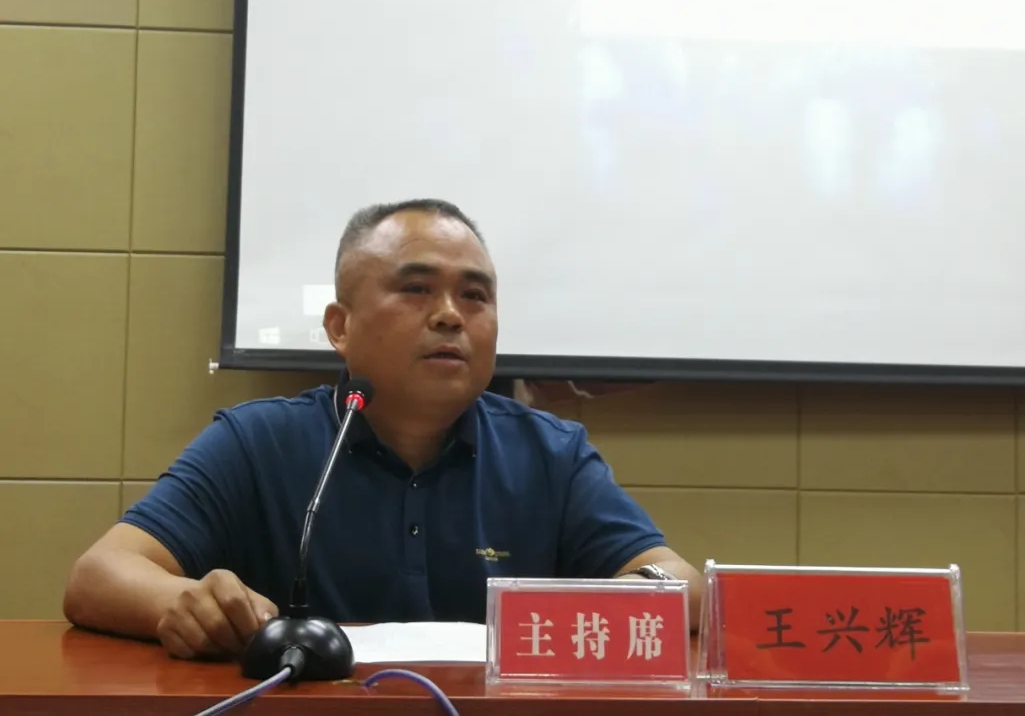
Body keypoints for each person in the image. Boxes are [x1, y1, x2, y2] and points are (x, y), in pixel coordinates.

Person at [63, 199, 702, 660]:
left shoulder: (550, 453)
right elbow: (99, 575)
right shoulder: (258, 441)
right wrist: (184, 604)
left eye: (475, 296)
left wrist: (622, 597)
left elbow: (683, 585)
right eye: (417, 289)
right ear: (340, 327)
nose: (450, 315)